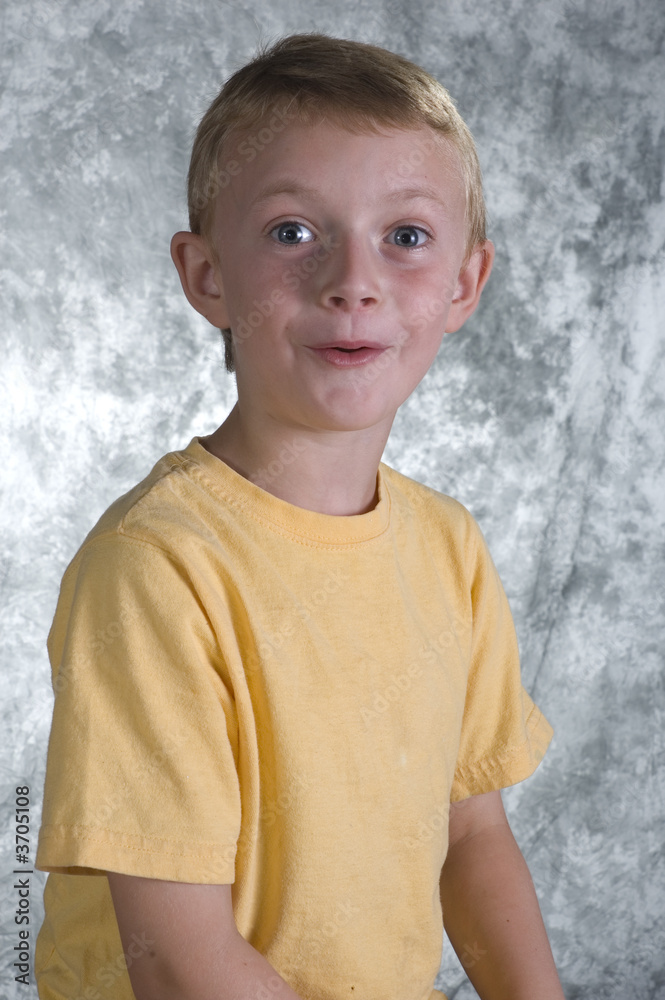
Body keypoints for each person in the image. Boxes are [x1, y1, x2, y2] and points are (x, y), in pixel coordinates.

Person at [35, 33, 564, 1000]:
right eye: (292, 232)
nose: (350, 281)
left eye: (404, 236)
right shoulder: (158, 568)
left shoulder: (447, 548)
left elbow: (472, 837)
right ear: (207, 277)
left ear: (463, 284)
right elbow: (180, 960)